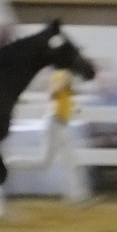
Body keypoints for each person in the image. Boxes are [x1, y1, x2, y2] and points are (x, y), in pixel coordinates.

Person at [48, 67, 91, 204]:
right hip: (59, 123)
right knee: (68, 159)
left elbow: (64, 97)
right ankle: (76, 194)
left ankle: (75, 193)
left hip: (60, 122)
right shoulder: (62, 75)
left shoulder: (62, 75)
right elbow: (54, 92)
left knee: (67, 159)